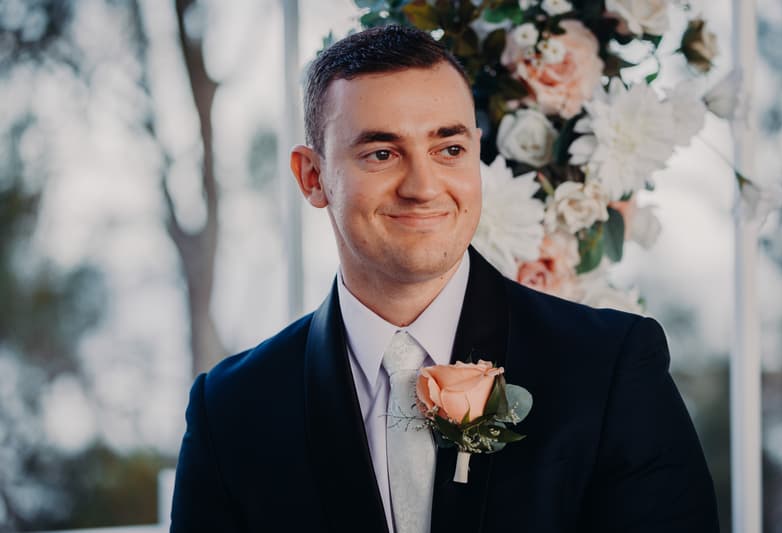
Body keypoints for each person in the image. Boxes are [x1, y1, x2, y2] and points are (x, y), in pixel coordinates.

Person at [170, 25, 720, 533]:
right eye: (382, 153)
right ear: (312, 177)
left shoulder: (611, 366)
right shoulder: (231, 412)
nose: (424, 186)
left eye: (449, 149)